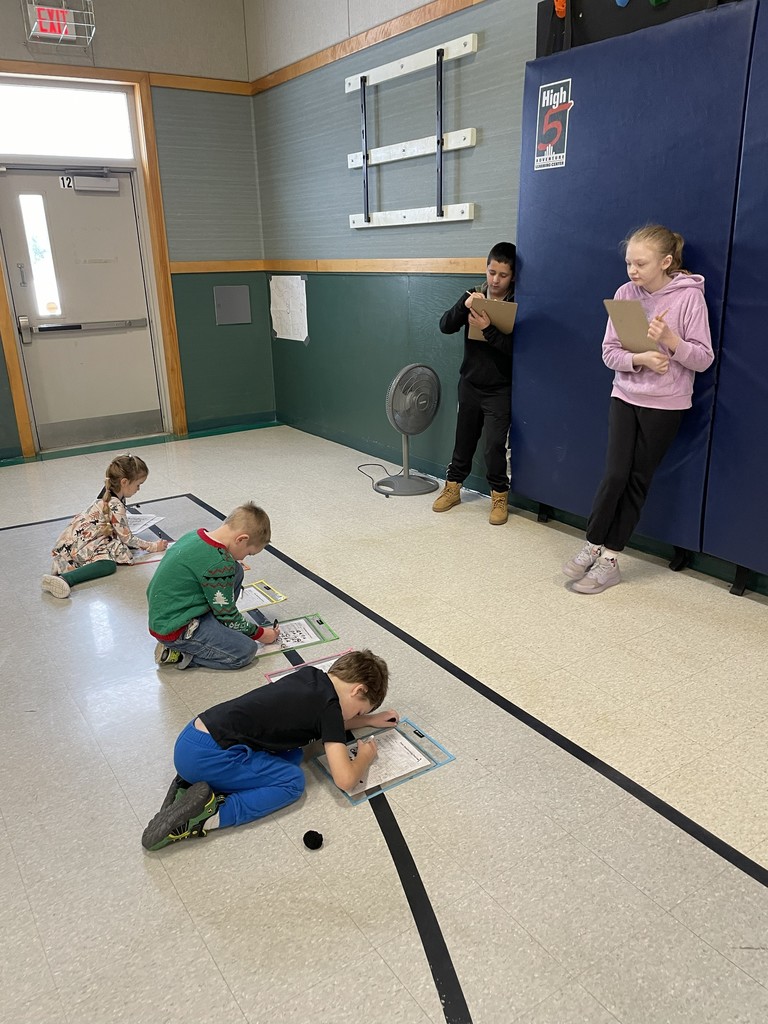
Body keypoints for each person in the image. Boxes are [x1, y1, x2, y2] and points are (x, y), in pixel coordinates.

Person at [564, 224, 714, 594]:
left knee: (636, 481)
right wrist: (641, 358)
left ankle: (611, 559)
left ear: (666, 262)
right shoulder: (625, 293)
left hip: (666, 405)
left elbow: (703, 358)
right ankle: (593, 543)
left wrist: (670, 341)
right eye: (629, 262)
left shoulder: (689, 298)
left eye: (641, 263)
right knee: (614, 474)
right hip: (625, 396)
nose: (633, 271)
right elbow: (609, 352)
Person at [141, 649, 395, 850]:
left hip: (193, 738)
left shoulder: (310, 677)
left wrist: (370, 720)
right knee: (291, 782)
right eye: (361, 710)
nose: (356, 716)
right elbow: (346, 780)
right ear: (358, 690)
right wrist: (364, 759)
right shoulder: (330, 708)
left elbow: (330, 722)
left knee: (294, 754)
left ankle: (189, 786)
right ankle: (208, 815)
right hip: (212, 757)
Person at [432, 241, 517, 525]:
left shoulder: (516, 304)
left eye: (502, 275)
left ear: (512, 276)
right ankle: (453, 487)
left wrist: (487, 328)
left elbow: (513, 349)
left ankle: (499, 495)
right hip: (469, 383)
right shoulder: (473, 294)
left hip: (499, 389)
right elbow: (446, 325)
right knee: (464, 439)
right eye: (491, 272)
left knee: (494, 445)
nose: (495, 279)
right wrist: (463, 305)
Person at [146, 501, 280, 670]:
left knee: (236, 570)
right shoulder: (218, 565)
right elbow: (229, 617)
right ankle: (183, 655)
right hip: (176, 629)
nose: (244, 558)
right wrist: (261, 634)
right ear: (241, 539)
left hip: (167, 614)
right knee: (246, 651)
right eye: (249, 553)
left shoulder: (195, 535)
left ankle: (214, 630)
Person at [41, 453, 167, 599]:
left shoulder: (107, 494)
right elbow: (128, 539)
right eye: (138, 485)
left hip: (72, 541)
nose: (138, 489)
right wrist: (153, 547)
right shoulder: (115, 505)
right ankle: (65, 579)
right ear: (124, 482)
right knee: (108, 565)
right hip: (83, 544)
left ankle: (62, 564)